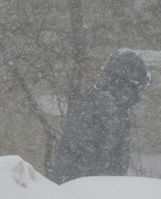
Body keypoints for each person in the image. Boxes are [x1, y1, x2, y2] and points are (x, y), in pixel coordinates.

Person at [50, 51, 150, 182]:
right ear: (123, 83)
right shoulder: (94, 107)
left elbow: (117, 161)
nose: (137, 94)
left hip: (99, 190)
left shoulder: (117, 110)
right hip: (82, 191)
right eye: (135, 88)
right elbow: (87, 160)